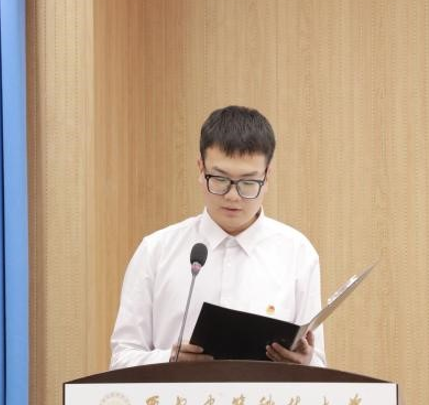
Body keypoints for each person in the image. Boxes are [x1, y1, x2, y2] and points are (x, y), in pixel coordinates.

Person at [108, 106, 325, 368]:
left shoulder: (297, 253)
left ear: (267, 175)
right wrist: (169, 359)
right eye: (220, 179)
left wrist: (305, 363)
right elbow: (121, 359)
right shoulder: (156, 251)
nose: (232, 196)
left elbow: (318, 365)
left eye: (248, 183)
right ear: (201, 168)